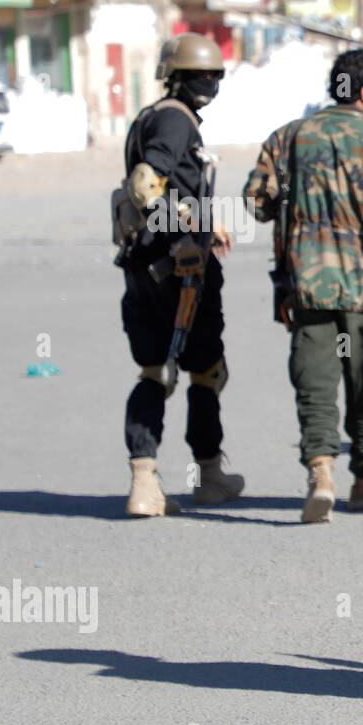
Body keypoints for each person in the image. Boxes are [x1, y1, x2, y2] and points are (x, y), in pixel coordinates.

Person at [244, 48, 363, 523]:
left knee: (314, 380)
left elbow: (257, 203)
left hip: (305, 283)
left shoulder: (288, 137)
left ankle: (320, 473)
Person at [117, 33, 243, 517]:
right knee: (202, 371)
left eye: (214, 75)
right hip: (178, 268)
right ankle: (200, 476)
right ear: (176, 76)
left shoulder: (155, 116)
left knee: (157, 370)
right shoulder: (173, 119)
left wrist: (207, 223)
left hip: (146, 263)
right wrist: (188, 231)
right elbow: (146, 183)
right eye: (198, 76)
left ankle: (153, 481)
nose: (208, 83)